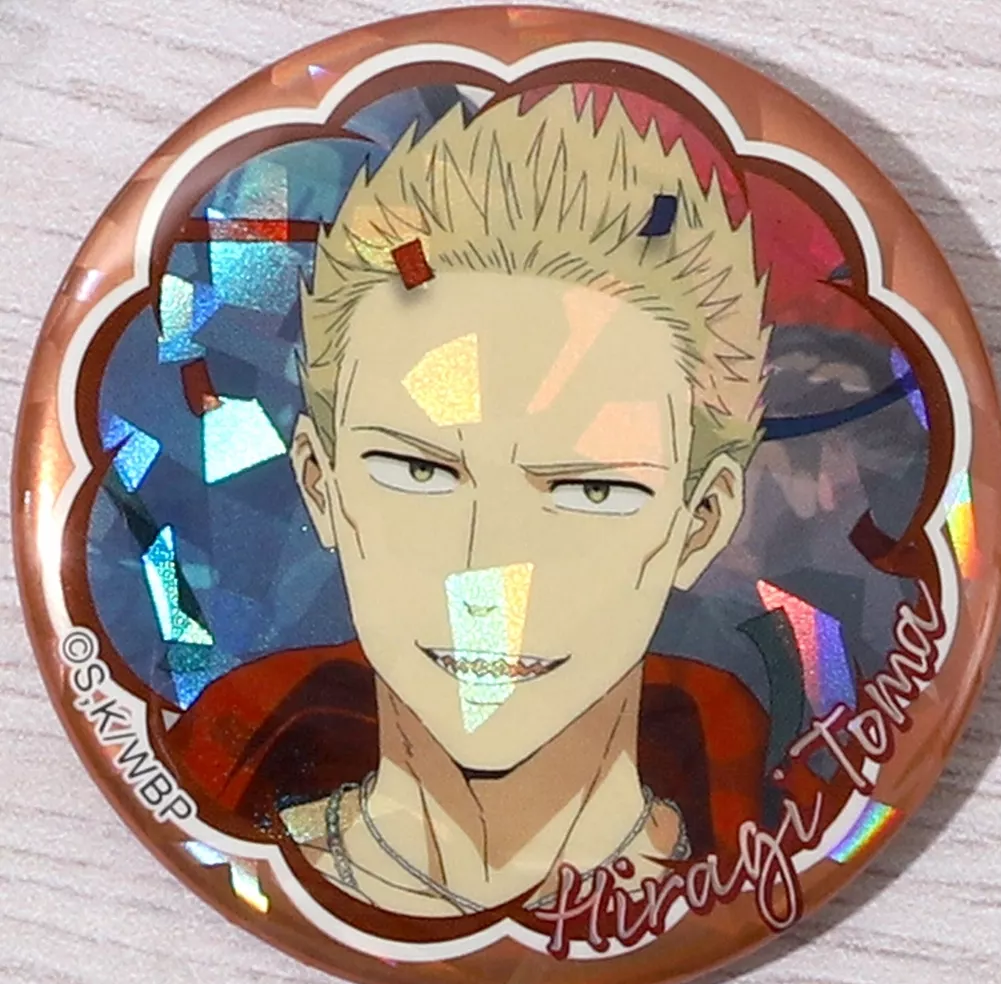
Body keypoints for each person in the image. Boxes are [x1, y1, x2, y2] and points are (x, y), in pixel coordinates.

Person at [165, 83, 776, 918]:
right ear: (320, 484)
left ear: (699, 523)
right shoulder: (206, 805)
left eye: (590, 488)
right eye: (420, 472)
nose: (490, 572)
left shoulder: (779, 849)